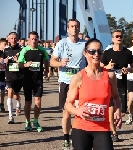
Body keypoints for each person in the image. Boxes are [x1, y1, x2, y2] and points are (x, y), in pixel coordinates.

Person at [65, 38, 122, 150]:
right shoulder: (78, 77)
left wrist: (118, 110)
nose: (96, 54)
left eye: (99, 51)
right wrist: (77, 111)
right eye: (92, 52)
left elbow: (116, 97)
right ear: (85, 53)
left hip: (102, 128)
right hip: (81, 127)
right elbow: (67, 104)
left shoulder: (110, 76)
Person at [50, 19, 86, 149]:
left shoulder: (85, 45)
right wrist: (60, 63)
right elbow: (52, 62)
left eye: (76, 26)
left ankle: (79, 138)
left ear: (79, 28)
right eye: (72, 26)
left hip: (81, 82)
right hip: (65, 82)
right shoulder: (62, 43)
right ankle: (66, 139)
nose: (74, 28)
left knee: (80, 112)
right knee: (66, 113)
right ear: (68, 29)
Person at [100, 30, 133, 140]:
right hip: (109, 84)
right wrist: (108, 66)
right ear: (112, 39)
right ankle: (113, 132)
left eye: (121, 36)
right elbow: (100, 67)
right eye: (117, 36)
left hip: (122, 85)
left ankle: (111, 127)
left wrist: (128, 69)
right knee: (111, 108)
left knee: (121, 111)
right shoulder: (107, 52)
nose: (119, 38)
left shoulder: (128, 52)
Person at [18, 31, 49, 132]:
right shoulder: (25, 50)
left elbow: (46, 60)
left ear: (38, 39)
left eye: (35, 39)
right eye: (32, 39)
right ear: (28, 40)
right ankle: (27, 121)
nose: (34, 40)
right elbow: (19, 64)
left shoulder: (42, 50)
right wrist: (25, 65)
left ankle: (35, 120)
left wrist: (47, 70)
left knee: (38, 101)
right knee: (28, 102)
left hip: (38, 79)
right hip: (27, 79)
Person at [2, 32, 23, 123]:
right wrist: (4, 60)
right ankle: (10, 116)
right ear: (8, 39)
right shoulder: (5, 50)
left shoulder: (22, 49)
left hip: (19, 75)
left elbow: (25, 60)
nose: (13, 40)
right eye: (11, 38)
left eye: (15, 38)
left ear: (18, 39)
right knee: (9, 91)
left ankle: (18, 102)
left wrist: (18, 60)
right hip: (9, 75)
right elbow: (1, 59)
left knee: (16, 95)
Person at [0, 38, 7, 112]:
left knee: (2, 90)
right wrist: (2, 60)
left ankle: (2, 104)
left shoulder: (6, 52)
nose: (6, 46)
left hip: (3, 73)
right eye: (4, 44)